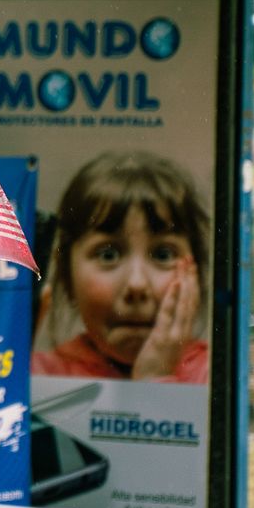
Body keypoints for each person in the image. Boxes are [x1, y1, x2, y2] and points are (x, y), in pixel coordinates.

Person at [31, 151, 210, 383]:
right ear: (66, 276)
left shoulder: (215, 376)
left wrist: (156, 377)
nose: (137, 285)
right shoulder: (38, 375)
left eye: (163, 254)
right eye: (108, 255)